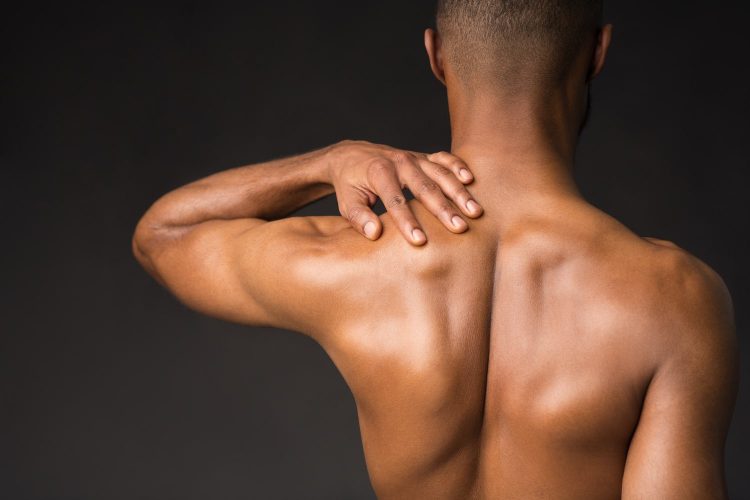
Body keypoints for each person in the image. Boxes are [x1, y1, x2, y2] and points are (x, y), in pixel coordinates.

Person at [132, 1, 739, 498]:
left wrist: (327, 162)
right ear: (598, 53)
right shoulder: (675, 299)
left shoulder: (355, 261)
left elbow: (165, 235)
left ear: (437, 56)